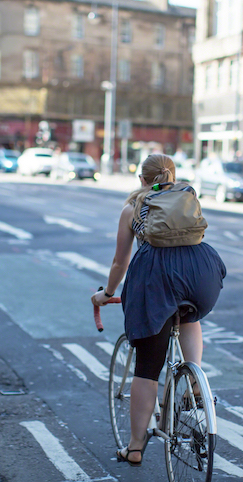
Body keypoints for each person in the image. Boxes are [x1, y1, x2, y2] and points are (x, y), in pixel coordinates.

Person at [91, 153, 226, 466]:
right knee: (189, 314)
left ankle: (135, 446)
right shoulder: (187, 197)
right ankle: (194, 380)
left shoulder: (133, 208)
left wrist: (106, 294)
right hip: (202, 272)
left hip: (156, 278)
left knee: (148, 369)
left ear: (142, 179)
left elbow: (120, 262)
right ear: (172, 175)